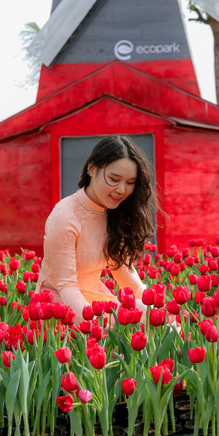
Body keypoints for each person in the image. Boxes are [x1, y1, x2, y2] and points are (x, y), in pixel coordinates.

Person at [36, 135, 154, 320]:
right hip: (60, 308)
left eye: (130, 183)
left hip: (94, 301)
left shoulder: (114, 213)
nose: (122, 190)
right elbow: (66, 286)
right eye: (114, 179)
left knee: (156, 316)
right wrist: (92, 324)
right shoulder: (65, 216)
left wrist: (155, 308)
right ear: (91, 169)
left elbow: (124, 273)